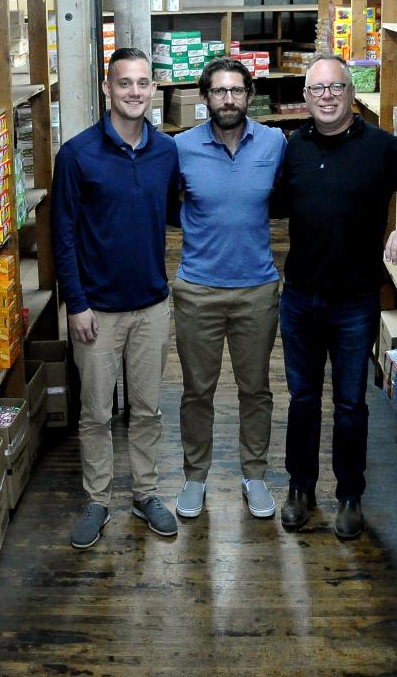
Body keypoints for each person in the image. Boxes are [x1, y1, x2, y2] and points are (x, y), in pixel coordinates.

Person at [274, 54, 397, 540]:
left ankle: (350, 495)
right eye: (317, 89)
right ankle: (299, 489)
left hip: (354, 301)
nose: (327, 96)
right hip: (300, 297)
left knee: (351, 403)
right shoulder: (294, 148)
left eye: (336, 87)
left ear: (351, 93)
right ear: (305, 99)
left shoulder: (380, 148)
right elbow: (268, 202)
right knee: (303, 400)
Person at [52, 46, 180, 549]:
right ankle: (98, 499)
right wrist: (76, 303)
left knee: (148, 409)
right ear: (107, 89)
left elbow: (169, 216)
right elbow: (62, 235)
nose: (134, 92)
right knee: (96, 413)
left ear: (153, 89)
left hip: (151, 303)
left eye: (142, 83)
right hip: (96, 311)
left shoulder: (165, 151)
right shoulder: (78, 154)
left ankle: (146, 494)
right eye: (123, 83)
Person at [170, 58, 287, 520]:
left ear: (249, 95)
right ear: (205, 98)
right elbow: (162, 205)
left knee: (255, 389)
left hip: (257, 288)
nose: (229, 100)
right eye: (219, 91)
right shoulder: (180, 148)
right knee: (197, 391)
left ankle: (254, 474)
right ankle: (194, 477)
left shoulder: (275, 143)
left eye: (237, 91)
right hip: (198, 288)